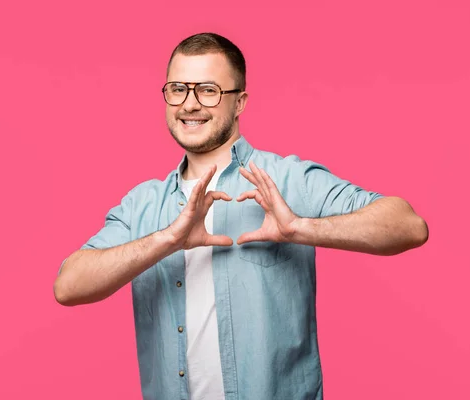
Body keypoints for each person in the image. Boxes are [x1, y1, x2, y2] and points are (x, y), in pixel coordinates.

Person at [54, 32, 429, 400]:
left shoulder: (285, 180)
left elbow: (408, 226)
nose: (189, 104)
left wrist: (300, 228)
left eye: (208, 90)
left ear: (240, 102)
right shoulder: (142, 204)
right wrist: (168, 239)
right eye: (178, 89)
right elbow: (68, 286)